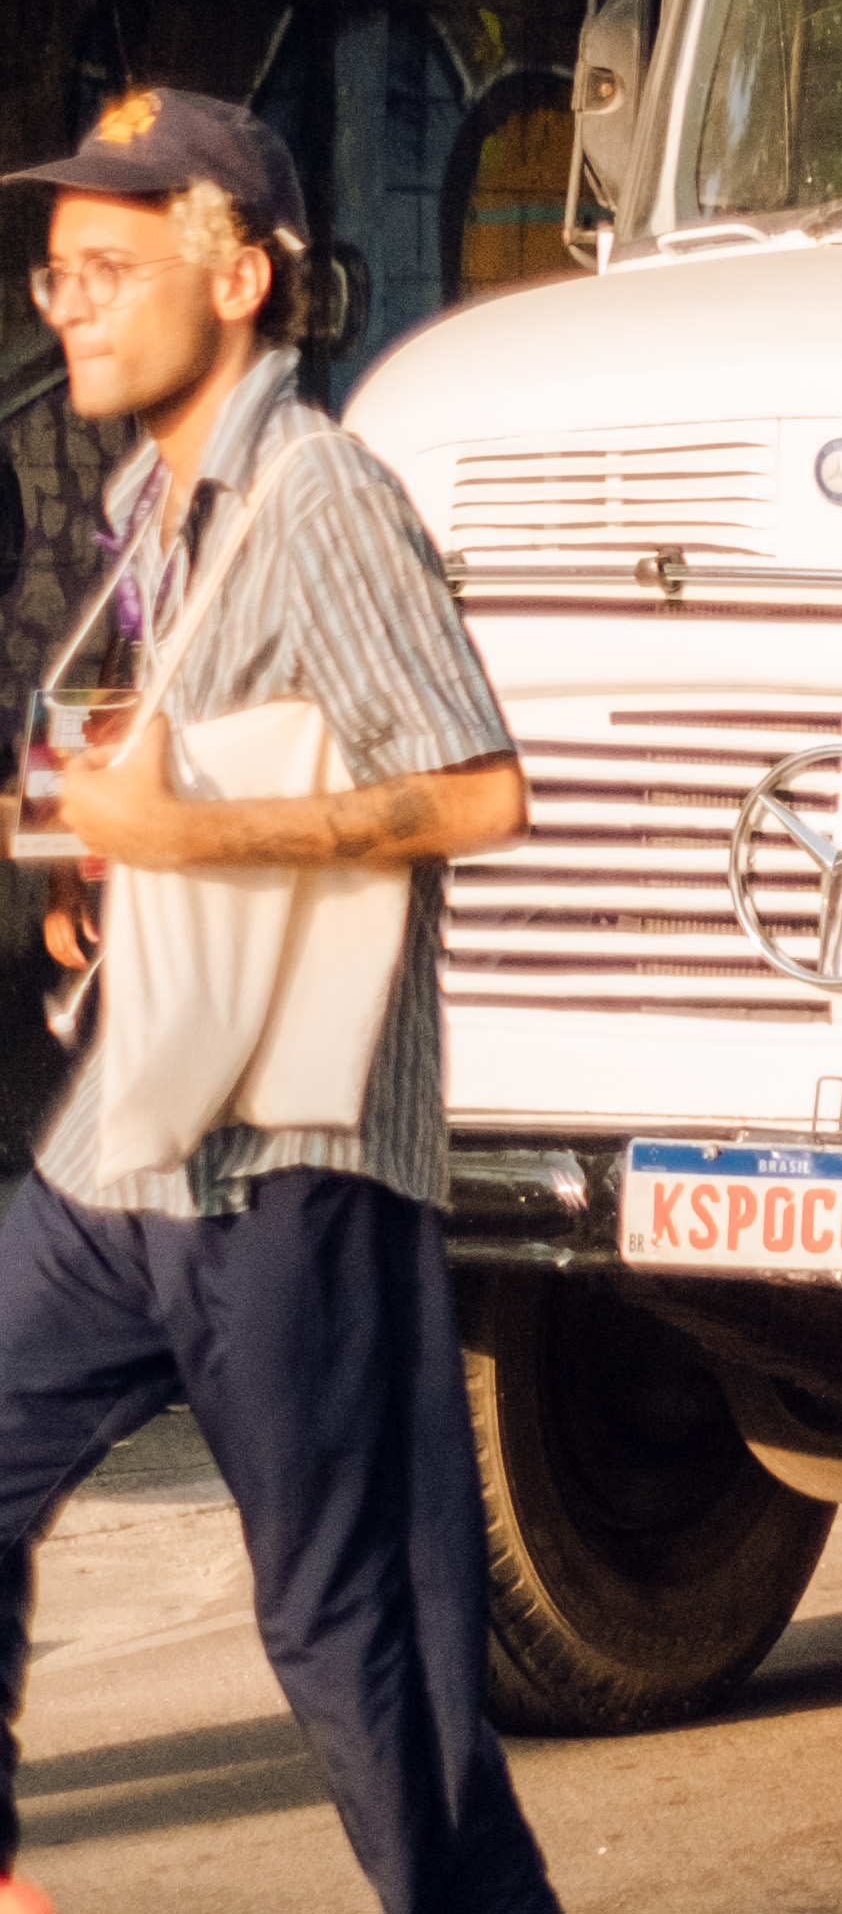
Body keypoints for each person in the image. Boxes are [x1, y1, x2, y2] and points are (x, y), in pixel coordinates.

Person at [0, 93, 547, 1914]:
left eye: (107, 265)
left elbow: (477, 790)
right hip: (133, 1138)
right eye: (55, 267)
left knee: (354, 1637)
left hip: (292, 1163)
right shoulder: (156, 499)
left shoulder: (319, 493)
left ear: (238, 276)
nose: (64, 301)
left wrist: (191, 829)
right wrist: (118, 879)